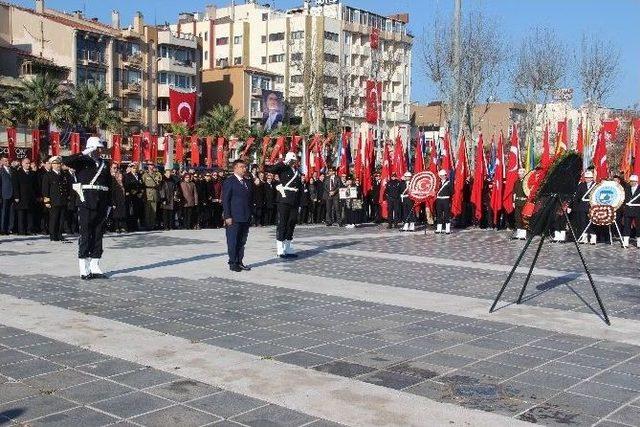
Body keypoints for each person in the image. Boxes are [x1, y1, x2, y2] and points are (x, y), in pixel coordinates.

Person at [62, 137, 112, 279]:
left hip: (101, 202)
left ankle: (95, 265)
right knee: (85, 233)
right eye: (98, 148)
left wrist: (109, 203)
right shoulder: (82, 161)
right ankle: (84, 269)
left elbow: (109, 185)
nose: (100, 150)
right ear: (92, 148)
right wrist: (84, 152)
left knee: (98, 233)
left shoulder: (104, 164)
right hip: (85, 201)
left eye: (101, 148)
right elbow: (66, 161)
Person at [265, 152, 303, 258]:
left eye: (294, 160)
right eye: (292, 160)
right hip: (284, 199)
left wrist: (300, 203)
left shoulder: (297, 171)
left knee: (291, 223)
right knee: (282, 223)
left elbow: (299, 188)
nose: (293, 162)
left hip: (294, 201)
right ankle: (280, 249)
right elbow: (271, 170)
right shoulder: (283, 168)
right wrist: (283, 162)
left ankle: (288, 247)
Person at [222, 159, 253, 272]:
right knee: (232, 241)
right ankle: (232, 262)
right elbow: (225, 200)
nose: (244, 169)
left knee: (242, 241)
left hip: (245, 216)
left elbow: (249, 200)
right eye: (241, 167)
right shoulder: (229, 181)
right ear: (235, 168)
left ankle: (239, 261)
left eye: (245, 167)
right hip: (233, 217)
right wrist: (227, 216)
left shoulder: (247, 182)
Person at [41, 156, 71, 241]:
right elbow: (45, 189)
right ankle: (53, 235)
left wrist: (68, 198)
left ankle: (59, 234)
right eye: (55, 164)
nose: (58, 165)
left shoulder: (63, 175)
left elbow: (66, 188)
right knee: (54, 219)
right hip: (53, 201)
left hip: (62, 200)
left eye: (59, 163)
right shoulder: (48, 175)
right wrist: (47, 201)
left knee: (61, 219)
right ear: (52, 165)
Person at [12, 157, 37, 235]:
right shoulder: (17, 173)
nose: (28, 165)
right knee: (21, 215)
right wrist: (16, 196)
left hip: (30, 197)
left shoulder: (32, 173)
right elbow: (15, 185)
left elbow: (35, 186)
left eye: (29, 163)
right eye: (26, 163)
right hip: (21, 197)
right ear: (22, 163)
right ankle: (21, 231)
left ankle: (29, 230)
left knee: (30, 215)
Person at [571, 170, 596, 244]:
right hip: (582, 207)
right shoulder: (581, 185)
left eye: (589, 177)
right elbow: (577, 197)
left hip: (592, 206)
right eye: (586, 177)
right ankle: (584, 237)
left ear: (592, 178)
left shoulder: (596, 185)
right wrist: (574, 206)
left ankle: (593, 237)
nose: (587, 179)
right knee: (583, 222)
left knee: (592, 222)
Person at [141, 163, 161, 230]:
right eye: (150, 165)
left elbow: (159, 181)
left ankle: (152, 225)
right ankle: (147, 225)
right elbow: (142, 184)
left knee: (154, 211)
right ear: (148, 166)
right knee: (147, 211)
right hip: (147, 194)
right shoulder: (145, 175)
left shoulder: (157, 174)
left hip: (154, 193)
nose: (151, 166)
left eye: (152, 165)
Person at [622, 174, 639, 248]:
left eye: (633, 181)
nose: (632, 183)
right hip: (628, 210)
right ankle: (626, 242)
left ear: (637, 181)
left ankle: (639, 242)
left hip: (638, 210)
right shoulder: (627, 188)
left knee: (639, 226)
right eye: (631, 181)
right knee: (626, 226)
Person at [435, 169, 452, 234]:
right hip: (439, 199)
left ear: (446, 175)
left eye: (443, 175)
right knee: (439, 214)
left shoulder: (449, 182)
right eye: (441, 175)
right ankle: (439, 228)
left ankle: (447, 229)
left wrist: (447, 195)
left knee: (446, 214)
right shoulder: (438, 183)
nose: (442, 176)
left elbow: (452, 191)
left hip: (445, 199)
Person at [0, 156, 14, 235]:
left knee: (10, 212)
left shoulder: (11, 170)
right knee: (4, 212)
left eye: (7, 160)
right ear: (1, 162)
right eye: (5, 161)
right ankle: (2, 229)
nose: (7, 162)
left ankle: (9, 228)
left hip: (12, 194)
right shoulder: (1, 171)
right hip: (4, 194)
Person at [513, 168, 528, 240]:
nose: (519, 174)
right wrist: (513, 202)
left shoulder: (526, 182)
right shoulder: (516, 182)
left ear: (524, 173)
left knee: (523, 219)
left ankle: (523, 234)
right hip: (517, 202)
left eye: (521, 173)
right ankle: (518, 234)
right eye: (518, 173)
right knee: (517, 218)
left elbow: (528, 193)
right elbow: (514, 193)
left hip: (524, 202)